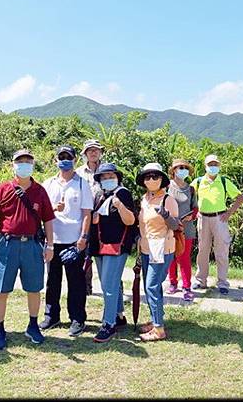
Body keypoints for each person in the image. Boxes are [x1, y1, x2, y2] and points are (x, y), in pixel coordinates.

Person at [0, 149, 55, 350]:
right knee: (1, 289)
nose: (24, 164)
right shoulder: (3, 189)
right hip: (7, 244)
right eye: (19, 161)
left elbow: (48, 219)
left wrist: (50, 245)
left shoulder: (39, 190)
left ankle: (32, 325)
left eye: (28, 161)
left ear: (33, 164)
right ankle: (0, 330)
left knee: (34, 288)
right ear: (12, 165)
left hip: (32, 245)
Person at [40, 145, 94, 337]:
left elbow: (87, 213)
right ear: (56, 160)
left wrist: (83, 237)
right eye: (61, 157)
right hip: (53, 239)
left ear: (74, 160)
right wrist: (54, 208)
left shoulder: (82, 184)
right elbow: (42, 212)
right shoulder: (48, 183)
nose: (64, 160)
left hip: (74, 241)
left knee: (76, 281)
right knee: (52, 280)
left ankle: (78, 318)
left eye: (68, 157)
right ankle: (51, 316)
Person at [89, 163, 136, 342]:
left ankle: (108, 325)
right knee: (110, 283)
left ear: (117, 177)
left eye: (110, 176)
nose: (107, 179)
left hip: (117, 246)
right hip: (99, 246)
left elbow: (130, 220)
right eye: (103, 177)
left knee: (108, 286)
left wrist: (120, 206)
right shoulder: (100, 195)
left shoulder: (122, 193)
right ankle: (118, 316)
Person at [136, 162, 180, 341]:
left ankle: (159, 330)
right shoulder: (144, 199)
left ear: (162, 179)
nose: (152, 179)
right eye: (148, 177)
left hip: (162, 248)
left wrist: (166, 215)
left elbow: (176, 225)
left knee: (151, 286)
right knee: (152, 287)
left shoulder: (168, 199)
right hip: (147, 248)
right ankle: (156, 321)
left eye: (155, 176)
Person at [191, 154, 243, 294]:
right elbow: (188, 196)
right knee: (203, 250)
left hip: (219, 219)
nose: (213, 167)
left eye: (215, 164)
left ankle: (222, 283)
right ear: (205, 166)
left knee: (221, 251)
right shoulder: (198, 182)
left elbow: (240, 197)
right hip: (203, 218)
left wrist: (229, 213)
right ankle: (200, 281)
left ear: (219, 166)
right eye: (210, 164)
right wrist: (194, 211)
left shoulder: (223, 181)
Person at [165, 159, 198, 301]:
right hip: (170, 227)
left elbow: (195, 208)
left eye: (185, 167)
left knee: (184, 258)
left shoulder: (190, 189)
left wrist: (191, 216)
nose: (182, 170)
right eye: (180, 167)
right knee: (171, 257)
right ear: (173, 170)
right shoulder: (166, 186)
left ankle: (186, 287)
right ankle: (172, 283)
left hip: (187, 229)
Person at [76, 139, 105, 296]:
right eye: (90, 150)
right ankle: (86, 289)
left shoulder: (107, 170)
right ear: (85, 154)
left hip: (104, 221)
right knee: (84, 255)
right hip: (84, 219)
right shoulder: (79, 173)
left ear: (100, 152)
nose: (93, 152)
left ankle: (111, 287)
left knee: (105, 256)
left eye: (96, 150)